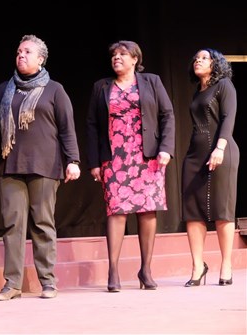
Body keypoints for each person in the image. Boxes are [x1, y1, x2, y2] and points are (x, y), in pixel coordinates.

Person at [0, 34, 81, 301]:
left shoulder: (54, 89)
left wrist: (73, 160)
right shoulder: (4, 90)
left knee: (43, 223)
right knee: (13, 225)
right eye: (18, 52)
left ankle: (48, 281)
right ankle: (12, 284)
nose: (21, 56)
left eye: (27, 52)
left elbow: (67, 128)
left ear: (40, 59)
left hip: (45, 165)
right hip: (9, 164)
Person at [86, 40, 175, 292]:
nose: (117, 58)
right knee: (116, 211)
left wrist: (166, 149)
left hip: (147, 156)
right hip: (114, 157)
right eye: (113, 54)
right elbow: (92, 125)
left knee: (147, 210)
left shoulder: (151, 82)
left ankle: (145, 269)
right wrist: (94, 162)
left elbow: (167, 115)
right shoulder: (101, 87)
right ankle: (113, 270)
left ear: (135, 59)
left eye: (123, 54)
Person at [181, 48, 239, 287]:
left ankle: (226, 264)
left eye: (204, 58)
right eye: (196, 58)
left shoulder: (224, 85)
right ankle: (197, 266)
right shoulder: (199, 91)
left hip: (221, 151)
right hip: (195, 155)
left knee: (222, 209)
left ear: (216, 63)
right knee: (193, 212)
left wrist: (220, 148)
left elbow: (228, 117)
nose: (198, 61)